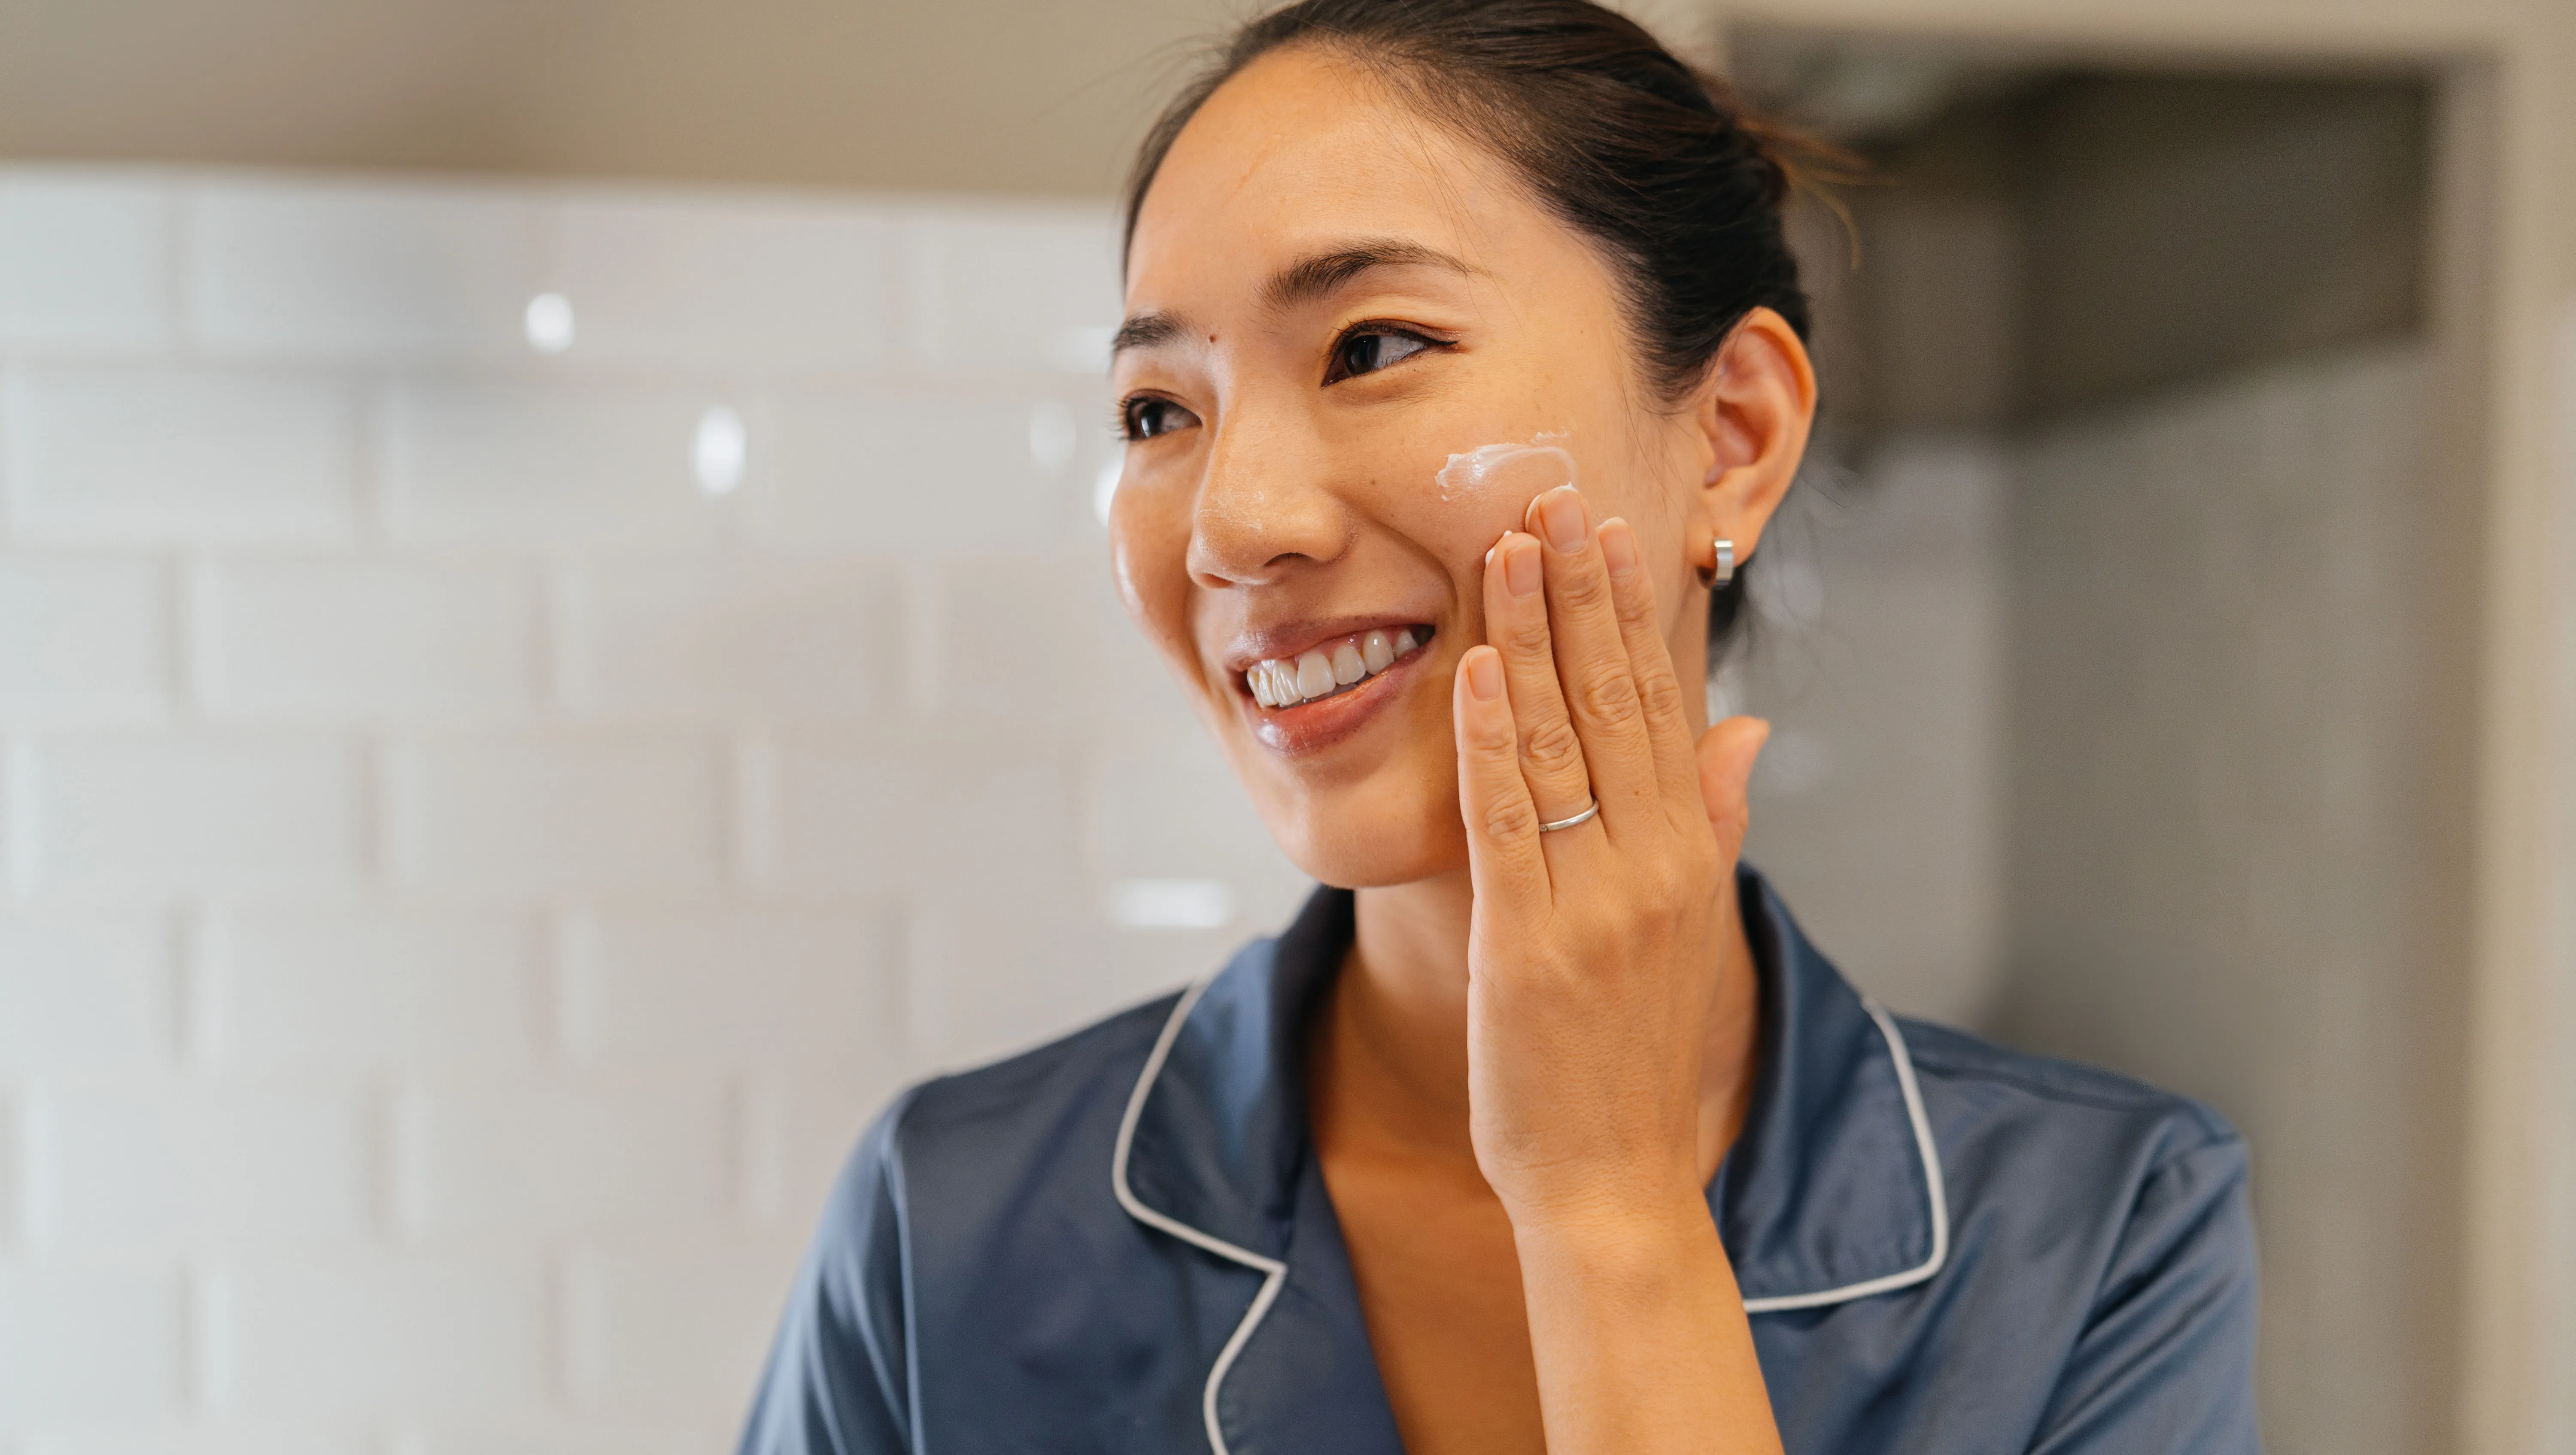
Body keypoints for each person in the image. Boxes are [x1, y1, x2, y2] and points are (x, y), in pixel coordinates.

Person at [737, 2, 2261, 1451]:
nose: (1233, 523)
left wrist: (1611, 1206)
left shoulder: (2101, 1240)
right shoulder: (945, 1229)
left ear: (1730, 435)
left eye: (1374, 346)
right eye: (1157, 410)